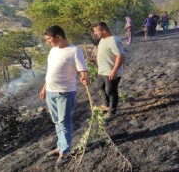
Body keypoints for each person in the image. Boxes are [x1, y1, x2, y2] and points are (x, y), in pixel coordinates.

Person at [40, 25, 89, 167]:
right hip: (50, 92)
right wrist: (44, 88)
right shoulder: (53, 50)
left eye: (49, 39)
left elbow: (83, 70)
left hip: (65, 93)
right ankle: (60, 146)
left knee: (64, 122)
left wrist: (85, 78)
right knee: (57, 121)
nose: (47, 41)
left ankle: (65, 151)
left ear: (58, 37)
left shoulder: (74, 51)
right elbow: (50, 71)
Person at [92, 22, 124, 121]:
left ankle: (112, 111)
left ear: (103, 30)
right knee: (99, 86)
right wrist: (94, 60)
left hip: (111, 71)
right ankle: (105, 105)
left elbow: (120, 56)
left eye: (96, 31)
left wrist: (114, 71)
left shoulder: (113, 41)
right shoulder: (103, 40)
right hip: (102, 71)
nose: (95, 34)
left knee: (111, 91)